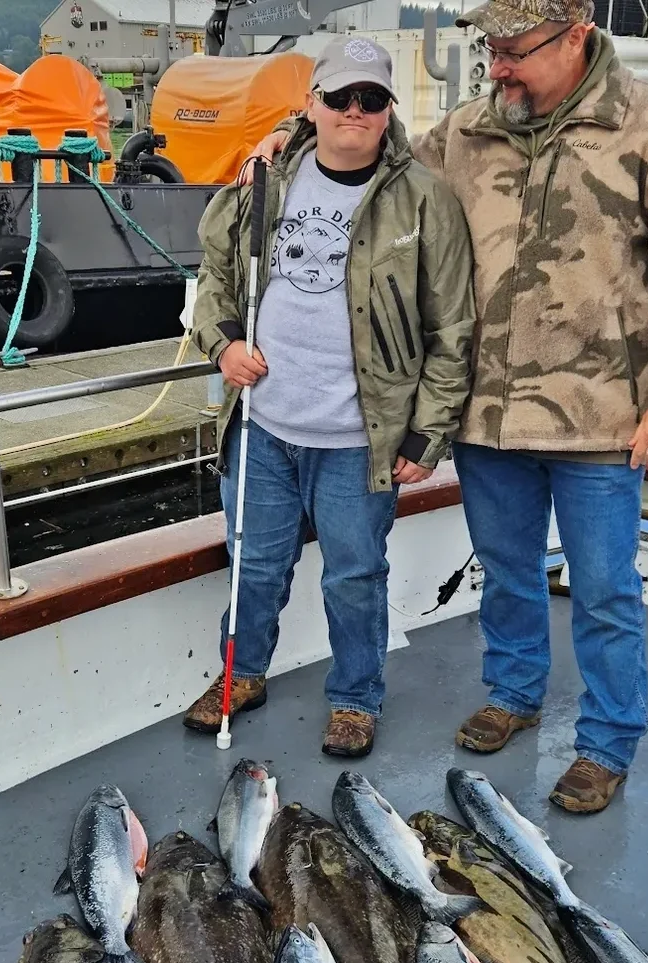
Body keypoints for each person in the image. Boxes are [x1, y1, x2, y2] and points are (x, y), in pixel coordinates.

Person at [251, 1, 648, 809]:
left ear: (576, 36)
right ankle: (513, 695)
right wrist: (291, 141)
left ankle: (606, 744)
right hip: (489, 415)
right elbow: (373, 156)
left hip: (602, 418)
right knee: (506, 573)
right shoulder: (467, 131)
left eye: (514, 50)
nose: (498, 66)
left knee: (605, 592)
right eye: (491, 49)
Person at [181, 34, 475, 758]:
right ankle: (240, 673)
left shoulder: (425, 201)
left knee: (354, 575)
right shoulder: (267, 177)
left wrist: (425, 437)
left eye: (370, 98)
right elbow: (214, 270)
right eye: (339, 96)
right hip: (263, 427)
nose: (354, 110)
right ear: (311, 105)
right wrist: (222, 343)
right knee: (252, 560)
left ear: (387, 111)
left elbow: (453, 327)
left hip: (357, 440)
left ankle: (355, 697)